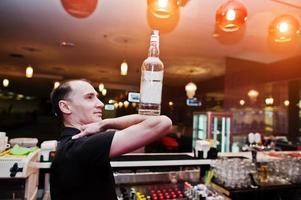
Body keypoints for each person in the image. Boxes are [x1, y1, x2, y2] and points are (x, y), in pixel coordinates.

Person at [49, 79, 172, 200]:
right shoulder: (80, 146)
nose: (101, 104)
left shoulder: (70, 145)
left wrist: (104, 124)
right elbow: (163, 122)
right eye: (89, 97)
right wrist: (105, 124)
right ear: (65, 107)